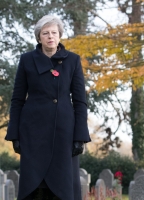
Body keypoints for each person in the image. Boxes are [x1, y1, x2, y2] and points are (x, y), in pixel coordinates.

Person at [5, 15, 91, 200]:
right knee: (34, 189)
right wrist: (14, 134)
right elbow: (17, 99)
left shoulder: (73, 61)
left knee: (62, 189)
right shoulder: (27, 60)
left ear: (59, 35)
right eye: (45, 33)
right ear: (39, 37)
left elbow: (80, 101)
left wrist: (80, 136)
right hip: (33, 133)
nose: (50, 36)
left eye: (54, 32)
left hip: (64, 134)